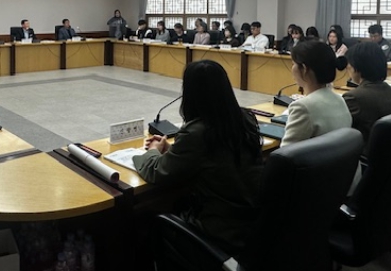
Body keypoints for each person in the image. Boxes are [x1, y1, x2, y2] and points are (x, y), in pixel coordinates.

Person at [133, 60, 262, 252]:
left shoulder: (197, 132)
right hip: (251, 224)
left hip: (220, 231)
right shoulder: (245, 118)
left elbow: (157, 172)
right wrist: (173, 150)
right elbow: (213, 156)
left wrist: (152, 150)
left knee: (142, 219)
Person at [280, 40, 352, 147]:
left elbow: (285, 152)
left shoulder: (302, 107)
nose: (292, 69)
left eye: (293, 64)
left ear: (304, 69)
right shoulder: (340, 100)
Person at [343, 42, 391, 156]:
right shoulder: (390, 90)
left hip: (364, 155)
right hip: (389, 154)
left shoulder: (354, 97)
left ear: (357, 67)